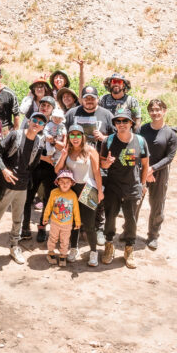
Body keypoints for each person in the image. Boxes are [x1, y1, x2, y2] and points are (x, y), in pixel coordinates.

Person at [0, 112, 46, 265]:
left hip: (22, 186)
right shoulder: (15, 135)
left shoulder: (39, 143)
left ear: (43, 127)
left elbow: (33, 165)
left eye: (40, 122)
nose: (36, 123)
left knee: (18, 218)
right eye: (34, 120)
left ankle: (14, 245)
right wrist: (4, 170)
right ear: (29, 121)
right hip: (5, 184)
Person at [64, 86, 115, 246]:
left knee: (97, 198)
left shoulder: (106, 115)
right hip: (76, 164)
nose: (89, 101)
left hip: (99, 163)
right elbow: (64, 134)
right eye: (86, 98)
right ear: (81, 99)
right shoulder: (72, 113)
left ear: (97, 99)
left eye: (92, 98)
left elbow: (117, 137)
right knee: (74, 198)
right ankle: (76, 229)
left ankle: (96, 228)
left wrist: (105, 137)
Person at [101, 109, 151, 269]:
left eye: (125, 121)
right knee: (110, 217)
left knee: (131, 220)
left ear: (131, 123)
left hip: (132, 186)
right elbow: (102, 164)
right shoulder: (107, 141)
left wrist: (143, 185)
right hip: (113, 187)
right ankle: (109, 245)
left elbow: (145, 165)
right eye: (118, 121)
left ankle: (129, 248)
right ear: (115, 124)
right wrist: (107, 163)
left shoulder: (140, 141)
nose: (121, 124)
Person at [55, 124, 104, 266]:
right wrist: (63, 155)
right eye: (72, 135)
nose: (75, 138)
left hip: (89, 188)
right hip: (72, 189)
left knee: (89, 223)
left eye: (78, 135)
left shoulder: (90, 151)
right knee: (74, 222)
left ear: (82, 137)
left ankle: (93, 251)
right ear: (69, 137)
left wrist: (100, 191)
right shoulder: (67, 151)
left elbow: (97, 173)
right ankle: (74, 248)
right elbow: (57, 170)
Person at [138, 99, 177, 250]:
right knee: (134, 201)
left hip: (159, 173)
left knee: (157, 205)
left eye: (157, 110)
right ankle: (129, 231)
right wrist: (145, 170)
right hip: (141, 170)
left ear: (164, 111)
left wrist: (152, 169)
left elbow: (169, 157)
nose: (155, 113)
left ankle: (153, 235)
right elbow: (137, 148)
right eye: (152, 110)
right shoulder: (143, 130)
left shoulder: (170, 134)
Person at [20, 96, 60, 243]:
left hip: (51, 168)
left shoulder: (58, 123)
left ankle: (42, 227)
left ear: (52, 109)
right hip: (34, 167)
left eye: (48, 106)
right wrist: (44, 158)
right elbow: (26, 147)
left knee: (48, 199)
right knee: (28, 198)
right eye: (42, 104)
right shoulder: (34, 121)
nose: (44, 107)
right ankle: (25, 227)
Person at [43, 170, 81, 267]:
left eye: (67, 182)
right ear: (58, 182)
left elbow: (76, 209)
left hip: (67, 224)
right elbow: (49, 206)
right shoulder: (54, 193)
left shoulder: (73, 195)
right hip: (55, 222)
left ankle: (63, 255)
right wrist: (45, 216)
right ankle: (50, 253)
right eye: (62, 182)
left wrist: (77, 221)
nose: (65, 184)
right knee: (53, 238)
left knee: (65, 240)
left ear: (72, 183)